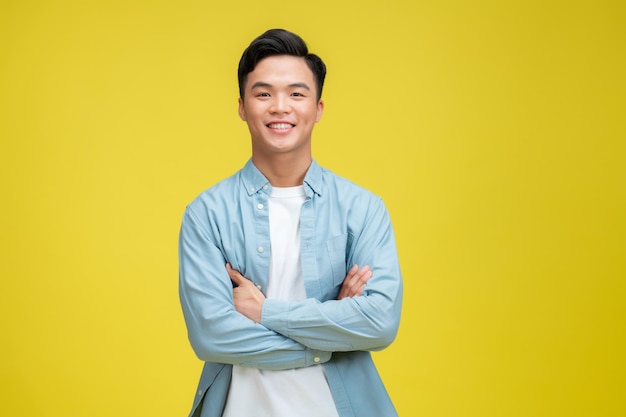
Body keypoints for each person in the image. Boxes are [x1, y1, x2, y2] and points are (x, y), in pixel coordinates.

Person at [178, 28, 403, 417]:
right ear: (242, 107)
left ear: (317, 109)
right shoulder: (207, 213)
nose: (280, 106)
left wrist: (265, 312)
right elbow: (211, 335)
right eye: (263, 93)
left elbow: (379, 323)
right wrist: (332, 331)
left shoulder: (362, 209)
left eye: (296, 94)